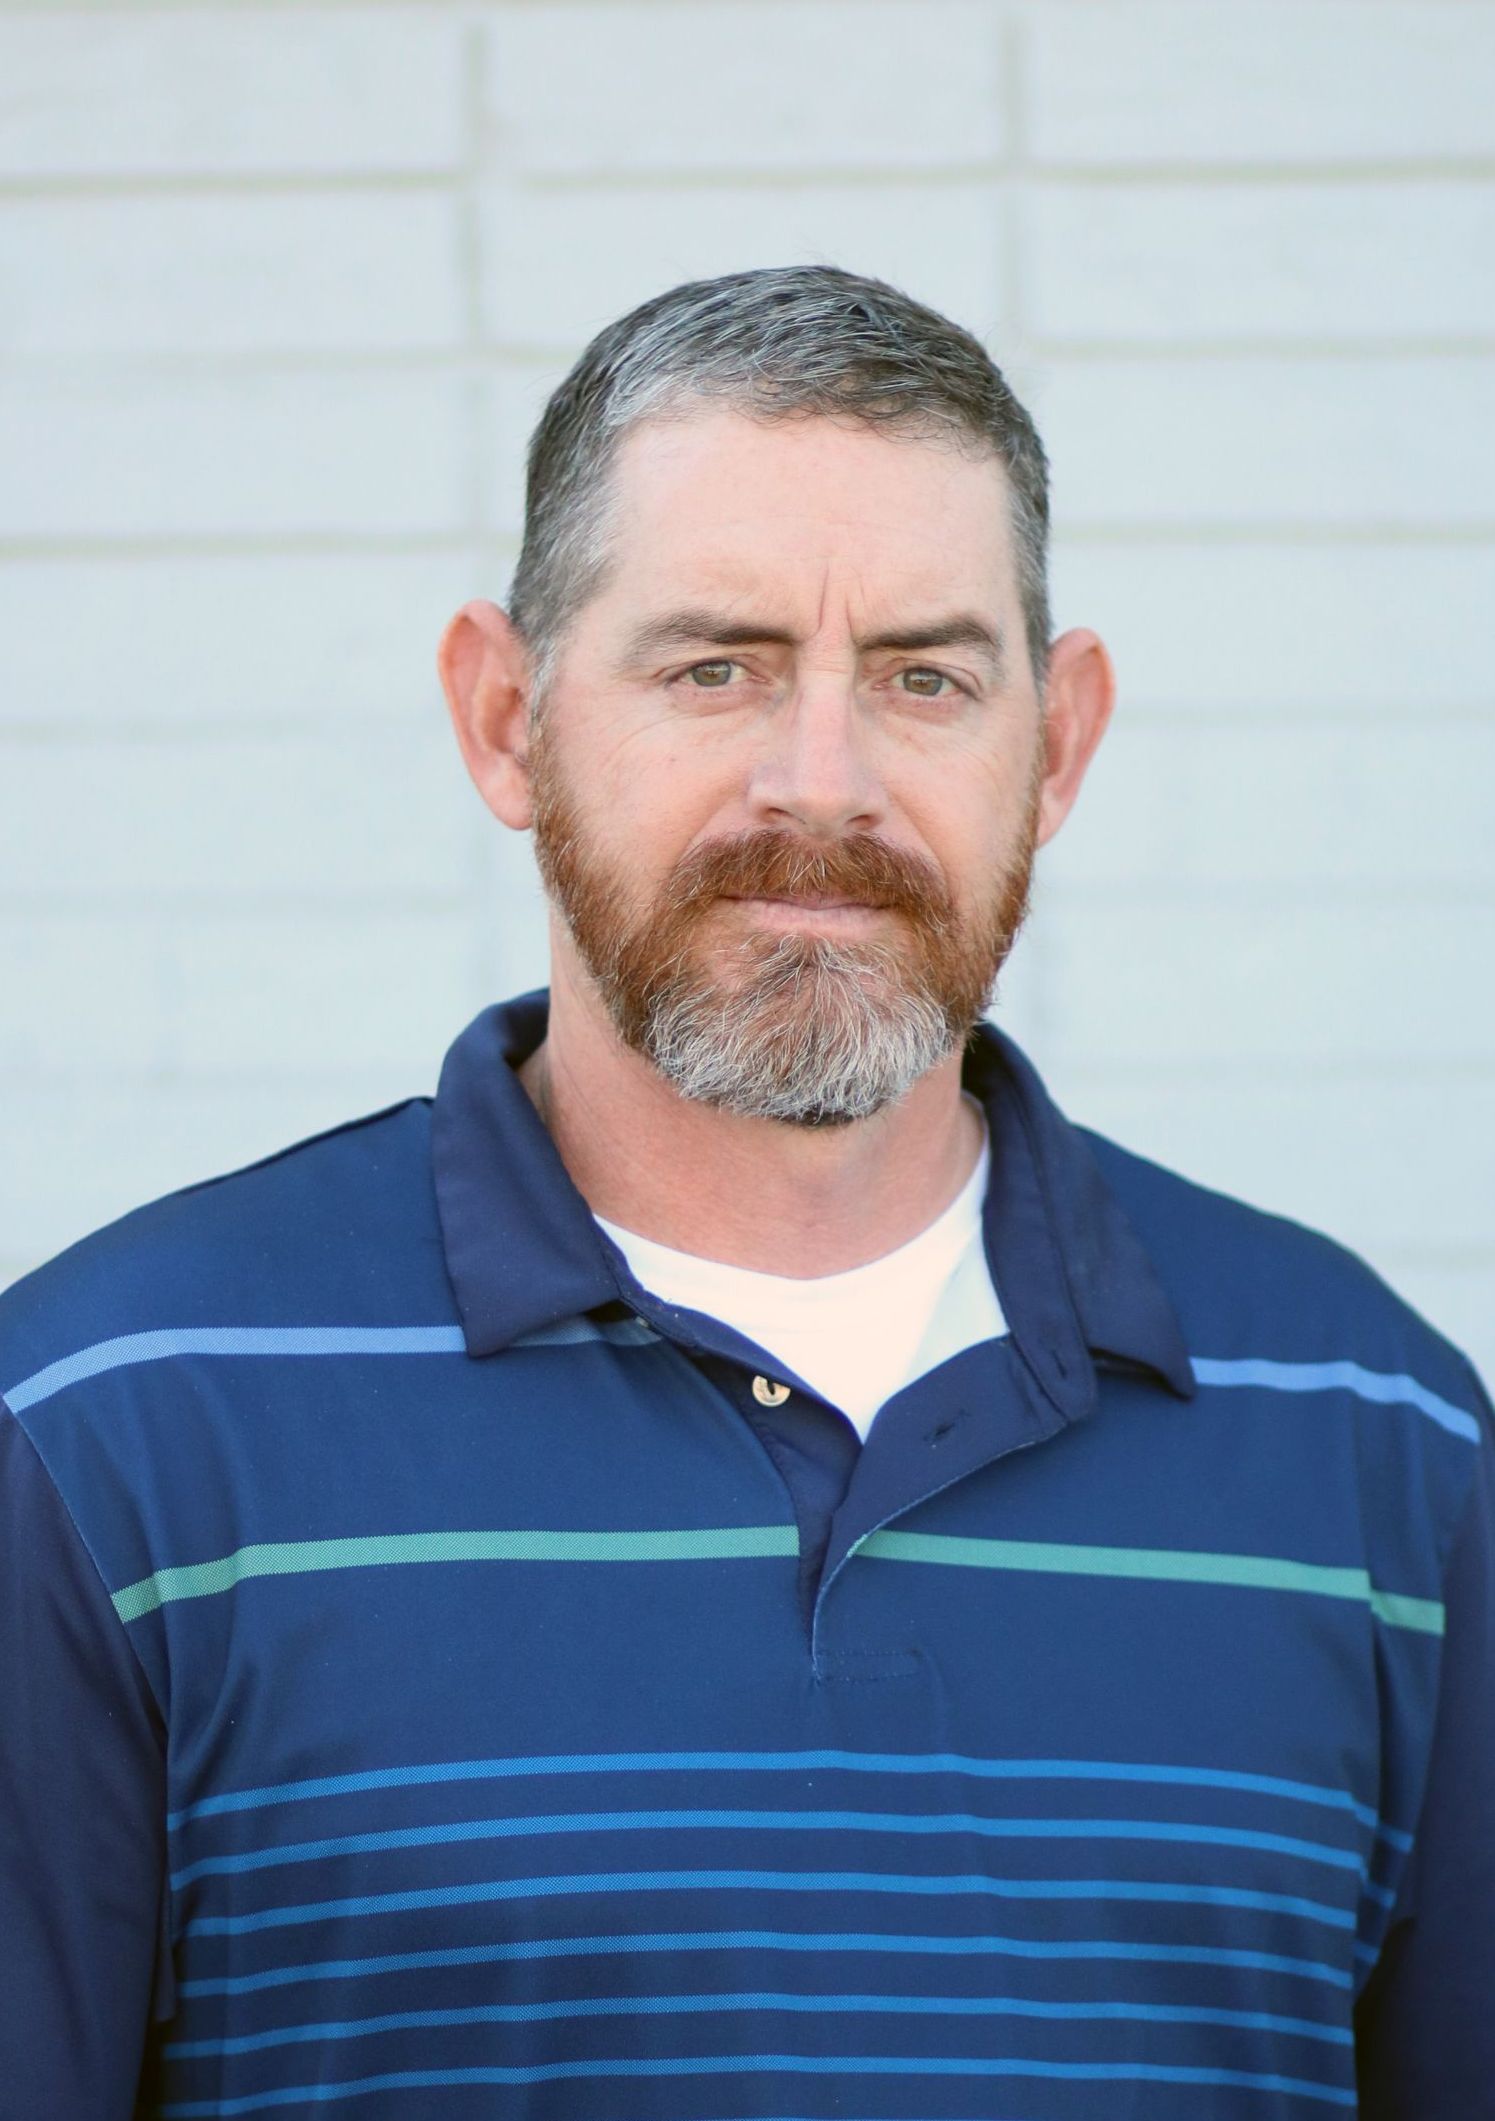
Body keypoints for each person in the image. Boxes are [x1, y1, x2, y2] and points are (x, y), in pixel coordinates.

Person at [1, 265, 1490, 2121]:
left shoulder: (1379, 1438)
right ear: (504, 721)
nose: (825, 783)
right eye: (718, 665)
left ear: (1064, 742)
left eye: (926, 677)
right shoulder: (107, 1435)